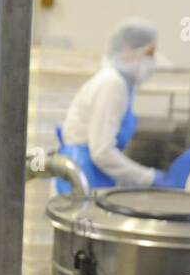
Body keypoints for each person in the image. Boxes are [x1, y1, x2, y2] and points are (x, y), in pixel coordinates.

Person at [56, 17, 164, 191]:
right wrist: (147, 177)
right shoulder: (112, 84)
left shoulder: (120, 84)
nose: (153, 61)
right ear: (129, 50)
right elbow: (102, 152)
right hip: (83, 174)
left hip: (89, 172)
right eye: (149, 53)